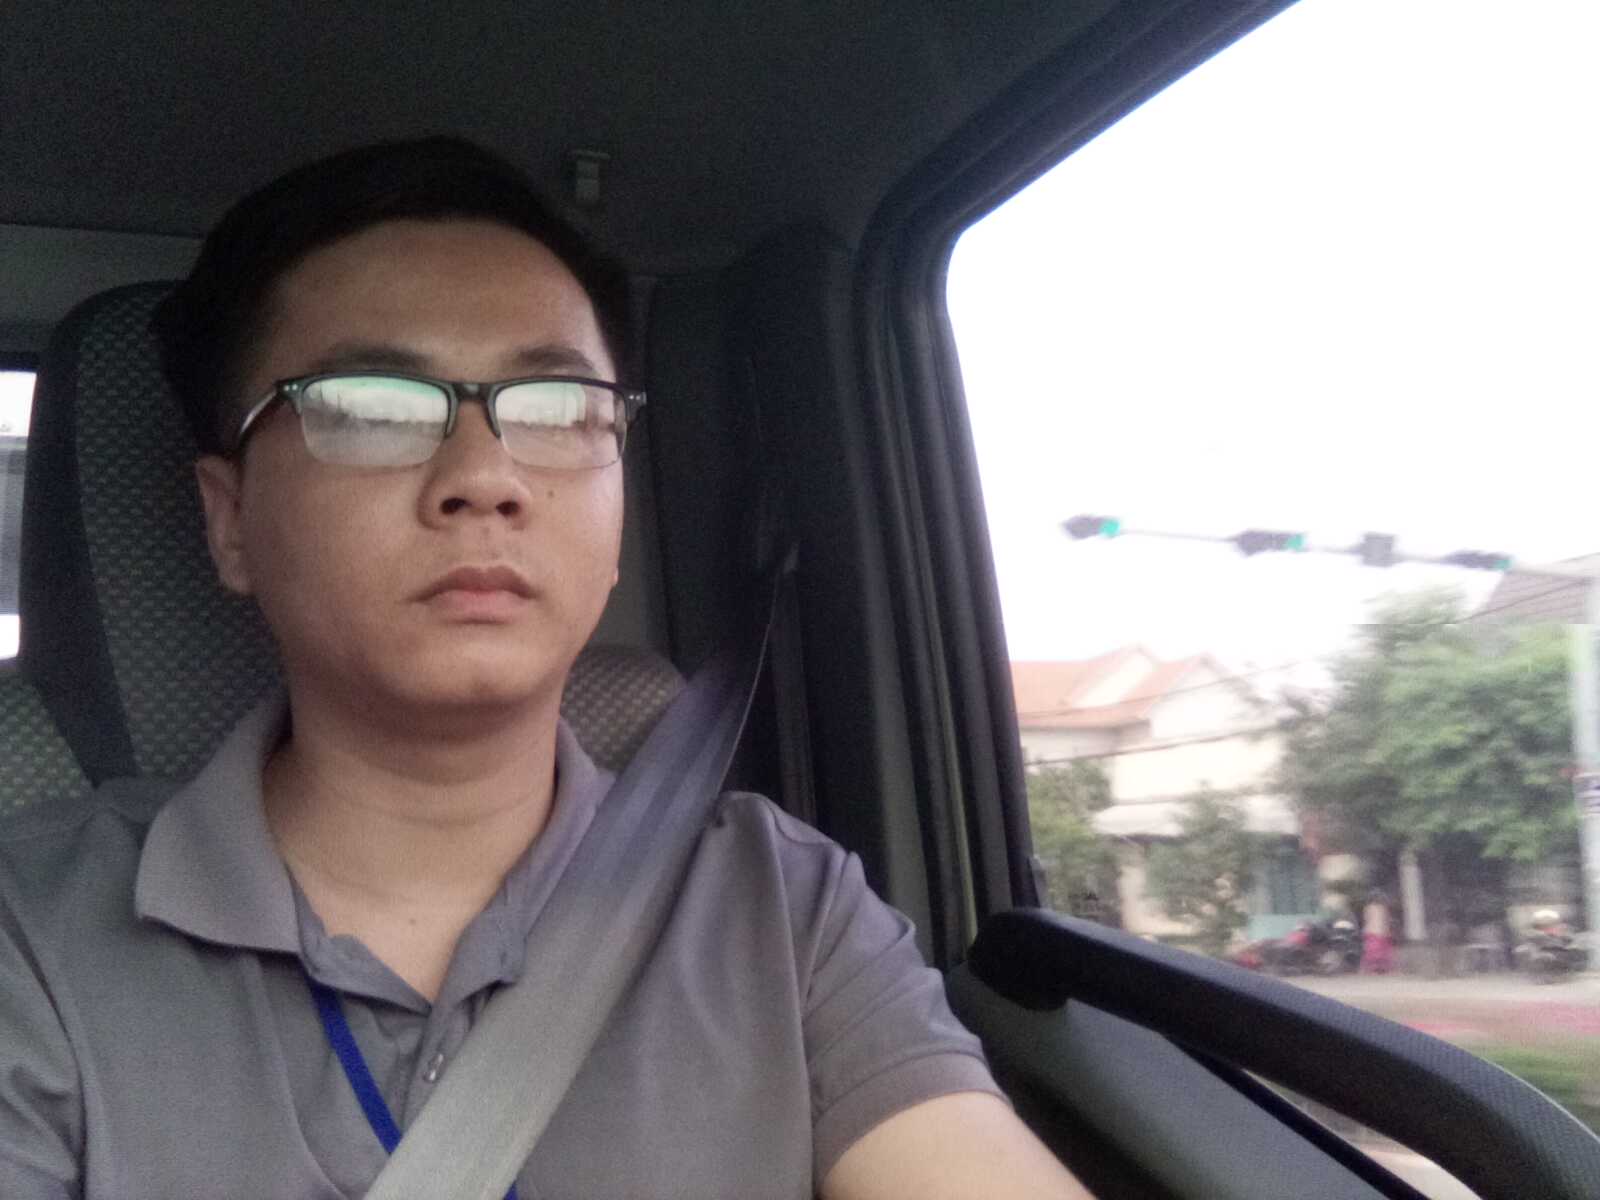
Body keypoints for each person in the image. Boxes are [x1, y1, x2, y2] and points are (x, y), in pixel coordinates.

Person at [0, 139, 1094, 1198]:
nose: (486, 477)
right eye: (371, 407)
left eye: (560, 409)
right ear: (230, 520)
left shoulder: (782, 909)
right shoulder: (34, 933)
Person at [1360, 890, 1395, 975]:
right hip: (1381, 932)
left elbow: (1366, 919)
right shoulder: (1383, 908)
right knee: (1382, 951)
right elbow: (1386, 920)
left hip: (1371, 931)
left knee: (1372, 951)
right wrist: (1388, 931)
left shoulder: (1368, 908)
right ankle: (1382, 968)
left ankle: (1372, 968)